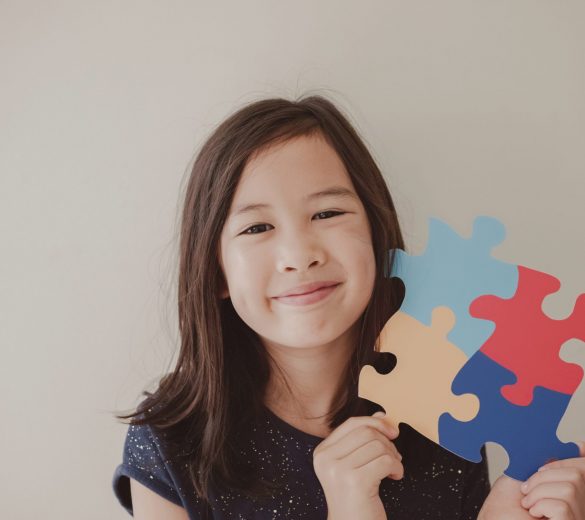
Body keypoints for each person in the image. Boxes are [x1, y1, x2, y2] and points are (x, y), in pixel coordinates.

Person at [112, 94, 585, 519]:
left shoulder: (450, 405)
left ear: (378, 239)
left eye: (327, 213)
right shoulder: (173, 442)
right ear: (216, 273)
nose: (300, 255)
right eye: (257, 228)